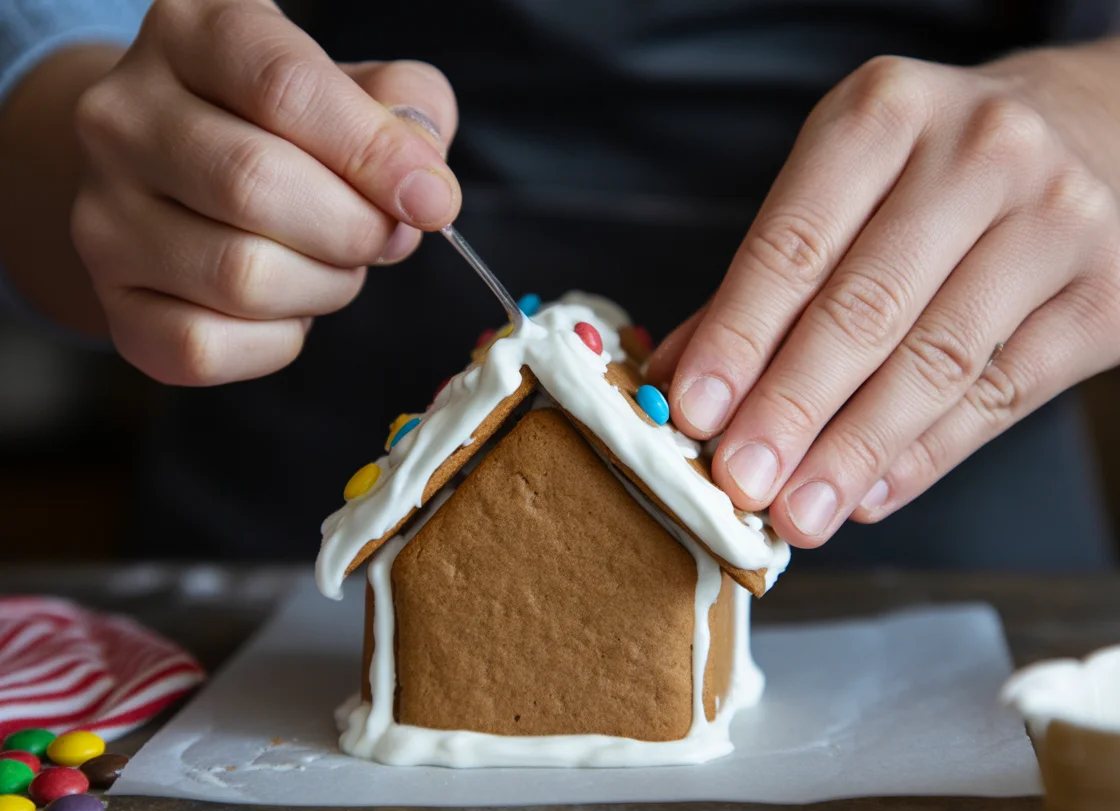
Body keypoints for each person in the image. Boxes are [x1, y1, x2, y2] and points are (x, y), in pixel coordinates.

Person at [0, 0, 1115, 570]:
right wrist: (82, 146)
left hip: (963, 557)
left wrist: (1095, 109)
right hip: (267, 558)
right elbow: (58, 73)